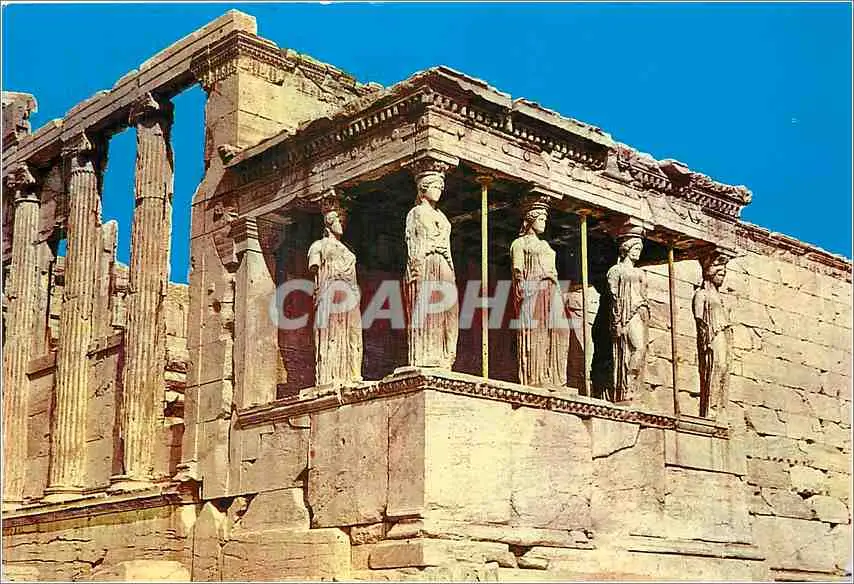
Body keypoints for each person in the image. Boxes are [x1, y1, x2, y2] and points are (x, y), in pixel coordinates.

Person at [510, 202, 569, 388]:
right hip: (534, 290)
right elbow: (518, 271)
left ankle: (555, 378)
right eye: (541, 219)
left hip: (552, 289)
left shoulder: (545, 244)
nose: (544, 223)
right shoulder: (519, 243)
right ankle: (536, 377)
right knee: (538, 331)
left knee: (561, 331)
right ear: (531, 220)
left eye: (545, 219)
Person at [404, 170, 458, 369]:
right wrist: (415, 269)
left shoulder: (442, 216)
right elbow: (412, 243)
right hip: (426, 262)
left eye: (441, 187)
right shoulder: (416, 213)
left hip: (444, 262)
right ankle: (426, 355)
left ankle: (445, 355)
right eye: (435, 186)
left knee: (449, 309)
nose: (439, 191)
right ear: (423, 188)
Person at [307, 205, 363, 386]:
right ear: (329, 222)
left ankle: (352, 375)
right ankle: (328, 377)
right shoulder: (318, 245)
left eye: (344, 220)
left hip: (350, 295)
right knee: (332, 333)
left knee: (352, 335)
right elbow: (314, 267)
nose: (342, 224)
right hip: (330, 292)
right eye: (339, 220)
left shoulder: (348, 251)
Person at [606, 229, 649, 402]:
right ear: (626, 248)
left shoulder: (641, 273)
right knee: (637, 347)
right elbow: (614, 295)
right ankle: (626, 385)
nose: (638, 252)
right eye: (635, 248)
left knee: (641, 349)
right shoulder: (616, 270)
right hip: (626, 314)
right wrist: (617, 321)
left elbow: (643, 294)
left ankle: (632, 386)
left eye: (640, 249)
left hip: (640, 312)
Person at [693, 252, 732, 418]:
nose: (722, 277)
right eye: (720, 273)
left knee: (724, 368)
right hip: (712, 334)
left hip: (723, 333)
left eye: (724, 274)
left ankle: (719, 408)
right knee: (717, 367)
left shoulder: (720, 297)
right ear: (710, 273)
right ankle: (710, 410)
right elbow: (699, 319)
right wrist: (706, 340)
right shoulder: (701, 294)